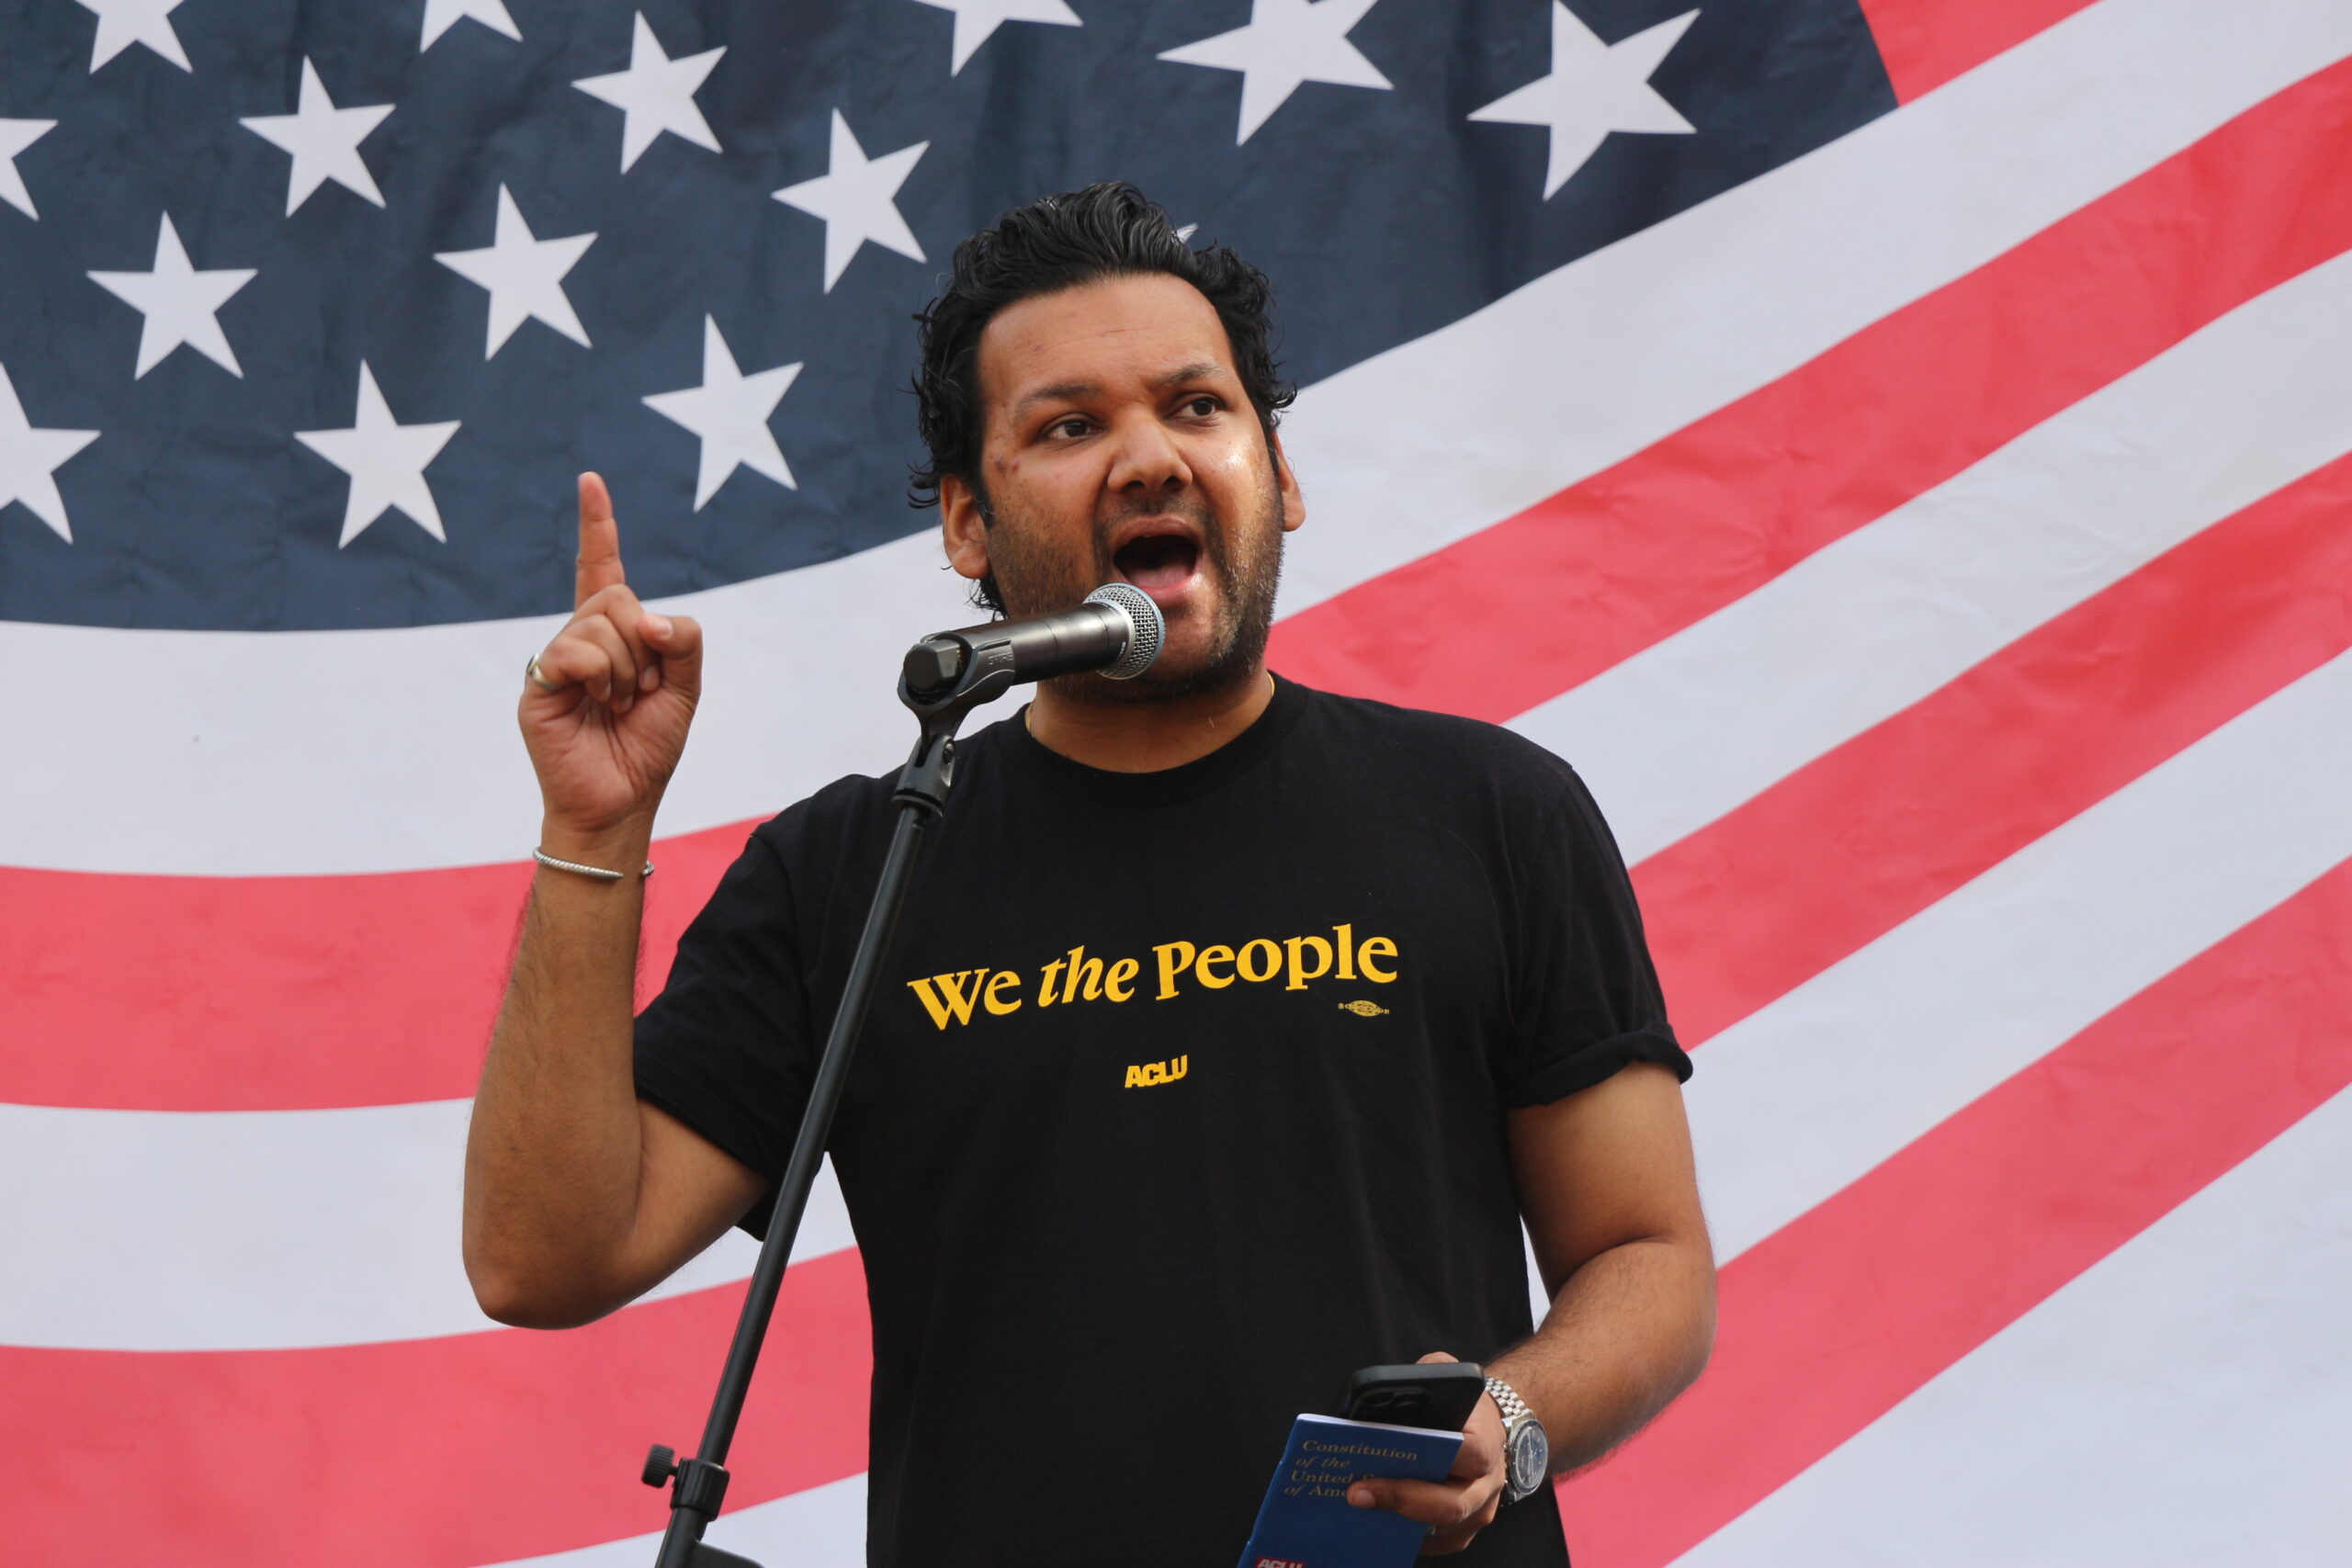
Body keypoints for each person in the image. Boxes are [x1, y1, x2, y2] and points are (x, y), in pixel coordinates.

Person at [463, 182, 1714, 1564]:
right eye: (1069, 427)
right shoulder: (853, 871)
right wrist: (594, 827)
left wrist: (1511, 1417)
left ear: (1278, 474)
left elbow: (1650, 1263)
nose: (1150, 459)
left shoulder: (1490, 810)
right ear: (967, 528)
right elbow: (543, 1260)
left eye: (1197, 407)